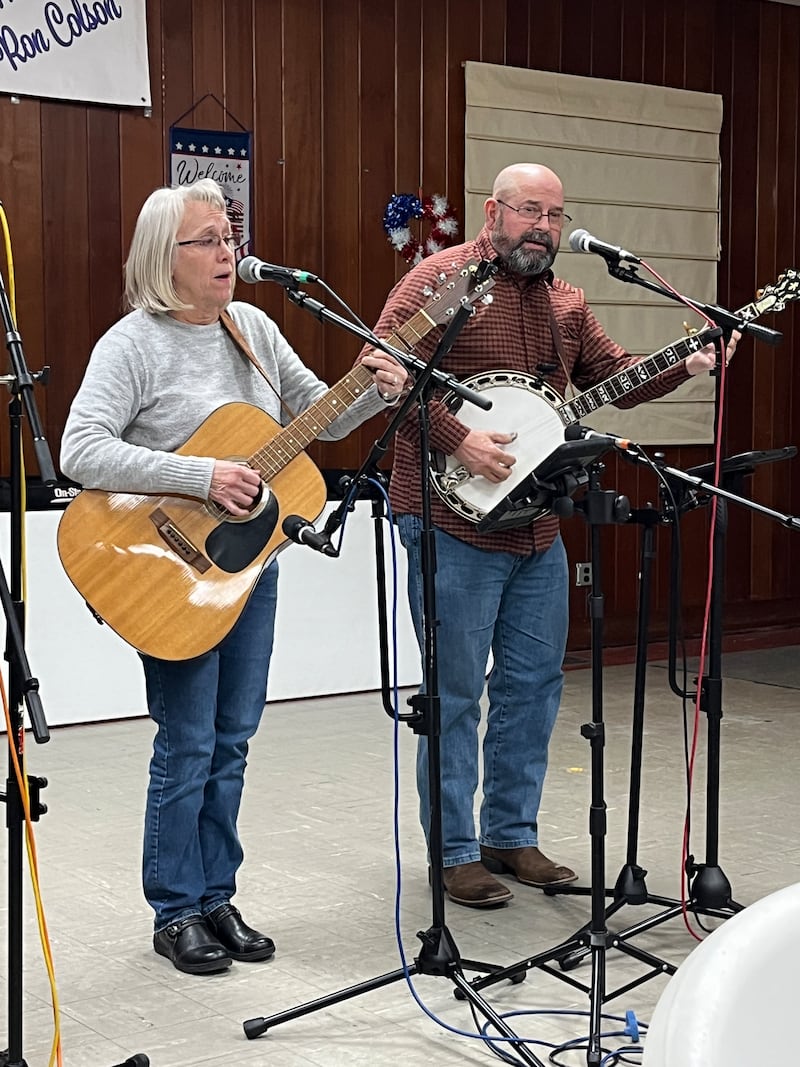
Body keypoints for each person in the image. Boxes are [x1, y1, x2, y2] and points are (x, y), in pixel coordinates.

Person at [364, 163, 737, 908]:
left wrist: (689, 363)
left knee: (533, 685)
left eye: (555, 215)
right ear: (492, 212)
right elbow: (380, 370)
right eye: (529, 210)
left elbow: (617, 375)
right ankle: (455, 850)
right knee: (457, 691)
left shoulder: (568, 300)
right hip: (448, 518)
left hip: (535, 523)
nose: (543, 226)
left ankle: (510, 831)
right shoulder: (440, 282)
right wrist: (458, 440)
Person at [60, 178, 408, 973]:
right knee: (186, 743)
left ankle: (217, 894)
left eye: (229, 233)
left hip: (246, 568)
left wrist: (372, 392)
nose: (228, 251)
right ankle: (174, 908)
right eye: (209, 239)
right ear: (165, 256)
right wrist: (201, 475)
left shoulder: (249, 324)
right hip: (163, 569)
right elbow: (81, 450)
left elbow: (314, 415)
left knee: (234, 739)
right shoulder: (132, 344)